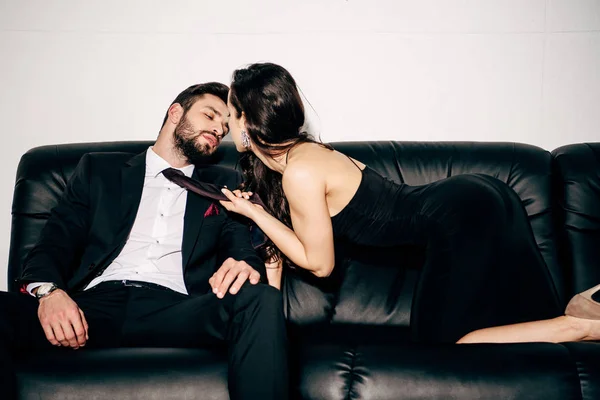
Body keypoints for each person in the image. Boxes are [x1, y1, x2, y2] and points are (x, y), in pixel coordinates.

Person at [217, 62, 600, 345]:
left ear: (247, 122)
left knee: (441, 345)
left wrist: (254, 212)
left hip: (460, 215)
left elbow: (320, 263)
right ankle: (585, 308)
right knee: (520, 317)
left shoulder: (300, 172)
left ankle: (580, 326)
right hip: (479, 195)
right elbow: (282, 251)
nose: (226, 125)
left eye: (229, 114)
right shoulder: (308, 156)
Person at [0, 82, 288, 400]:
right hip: (92, 307)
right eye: (210, 115)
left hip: (176, 309)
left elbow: (240, 248)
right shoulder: (98, 170)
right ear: (175, 112)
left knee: (260, 299)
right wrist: (49, 293)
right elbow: (54, 243)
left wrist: (244, 264)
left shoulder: (224, 182)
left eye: (224, 126)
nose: (219, 128)